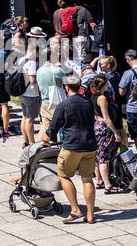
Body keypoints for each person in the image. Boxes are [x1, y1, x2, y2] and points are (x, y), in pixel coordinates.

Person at [40, 74, 98, 224]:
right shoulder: (88, 103)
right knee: (87, 179)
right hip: (90, 145)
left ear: (66, 87)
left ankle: (75, 209)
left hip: (72, 145)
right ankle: (90, 215)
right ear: (79, 86)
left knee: (64, 175)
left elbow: (53, 128)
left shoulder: (64, 105)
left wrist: (46, 139)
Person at [90, 74, 125, 192]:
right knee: (104, 157)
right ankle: (107, 184)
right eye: (107, 83)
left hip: (96, 127)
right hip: (104, 128)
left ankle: (99, 181)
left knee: (98, 155)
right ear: (103, 84)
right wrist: (116, 133)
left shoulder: (93, 96)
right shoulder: (102, 98)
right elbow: (107, 118)